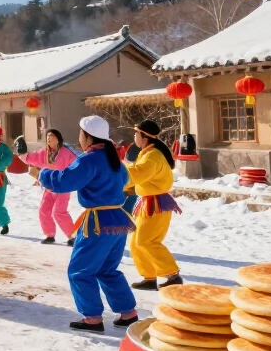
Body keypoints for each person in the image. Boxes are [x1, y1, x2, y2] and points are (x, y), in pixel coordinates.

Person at [39, 116, 138, 333]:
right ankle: (127, 312)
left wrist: (43, 174)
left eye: (80, 134)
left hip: (98, 221)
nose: (79, 138)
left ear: (87, 136)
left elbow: (65, 181)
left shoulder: (89, 159)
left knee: (80, 270)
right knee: (107, 268)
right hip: (118, 219)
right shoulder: (114, 160)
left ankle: (92, 318)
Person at [126, 120, 183, 290]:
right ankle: (149, 277)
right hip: (147, 202)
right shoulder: (146, 153)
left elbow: (136, 174)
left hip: (156, 203)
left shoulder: (153, 156)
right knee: (136, 242)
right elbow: (135, 176)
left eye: (136, 134)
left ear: (144, 137)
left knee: (147, 240)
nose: (134, 137)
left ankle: (172, 275)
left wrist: (117, 171)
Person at [22, 128, 78, 245]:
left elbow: (76, 165)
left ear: (58, 139)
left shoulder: (66, 152)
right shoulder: (44, 152)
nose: (48, 138)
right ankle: (50, 235)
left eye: (51, 136)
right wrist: (22, 154)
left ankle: (73, 236)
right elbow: (33, 158)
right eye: (47, 136)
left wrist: (73, 179)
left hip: (63, 188)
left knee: (59, 212)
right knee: (44, 210)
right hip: (49, 188)